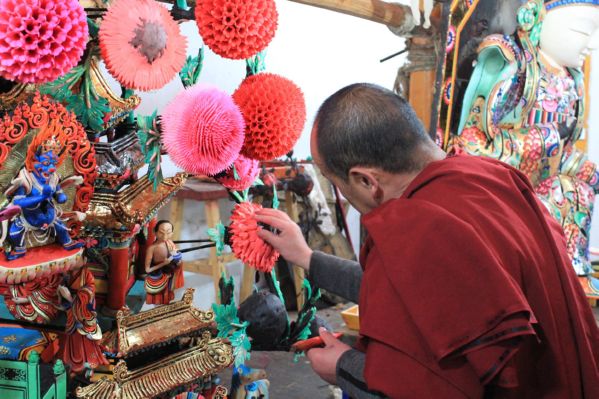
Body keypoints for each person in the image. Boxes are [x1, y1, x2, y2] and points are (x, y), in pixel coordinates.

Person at [255, 83, 599, 398]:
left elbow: (426, 387)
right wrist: (305, 256)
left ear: (365, 181)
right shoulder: (491, 177)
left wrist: (342, 366)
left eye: (335, 182)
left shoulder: (418, 226)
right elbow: (417, 292)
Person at [144, 220, 184, 305]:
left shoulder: (169, 242)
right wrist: (163, 263)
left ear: (172, 233)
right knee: (159, 300)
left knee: (167, 296)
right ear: (155, 232)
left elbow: (174, 255)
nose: (165, 236)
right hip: (158, 275)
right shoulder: (152, 248)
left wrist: (178, 259)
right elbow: (147, 270)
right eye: (161, 233)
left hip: (169, 273)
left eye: (168, 233)